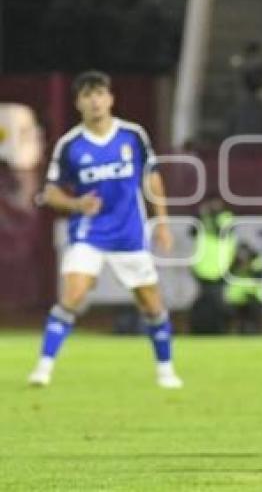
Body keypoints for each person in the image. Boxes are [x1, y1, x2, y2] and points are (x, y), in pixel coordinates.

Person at [27, 70, 183, 389]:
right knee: (73, 295)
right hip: (89, 233)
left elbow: (152, 178)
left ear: (110, 98)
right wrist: (76, 204)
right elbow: (51, 191)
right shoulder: (70, 145)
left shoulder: (132, 135)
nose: (95, 100)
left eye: (99, 93)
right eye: (87, 95)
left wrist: (162, 223)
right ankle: (43, 367)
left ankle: (165, 369)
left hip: (129, 234)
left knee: (152, 304)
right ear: (78, 103)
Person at [189, 196, 236, 334]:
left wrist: (207, 217)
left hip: (221, 267)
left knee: (218, 301)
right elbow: (191, 232)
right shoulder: (203, 218)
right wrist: (200, 215)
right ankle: (202, 329)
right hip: (202, 267)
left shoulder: (227, 218)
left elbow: (219, 231)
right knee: (205, 301)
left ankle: (221, 329)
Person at [224, 241, 262, 334]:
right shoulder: (232, 261)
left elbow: (260, 276)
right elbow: (228, 273)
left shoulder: (257, 260)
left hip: (255, 296)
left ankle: (256, 332)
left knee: (254, 318)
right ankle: (235, 331)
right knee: (234, 317)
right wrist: (236, 263)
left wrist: (248, 267)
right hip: (237, 297)